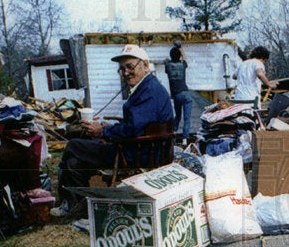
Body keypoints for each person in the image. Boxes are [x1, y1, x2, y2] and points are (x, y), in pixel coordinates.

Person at [52, 44, 173, 216]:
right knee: (74, 161)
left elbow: (133, 129)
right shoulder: (146, 87)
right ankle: (76, 206)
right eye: (122, 69)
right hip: (139, 148)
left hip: (137, 154)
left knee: (74, 145)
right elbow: (137, 124)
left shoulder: (149, 91)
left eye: (130, 67)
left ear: (145, 65)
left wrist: (103, 132)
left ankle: (68, 203)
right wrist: (107, 128)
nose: (125, 73)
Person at [164, 45, 192, 145]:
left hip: (176, 95)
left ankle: (174, 134)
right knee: (187, 118)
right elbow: (184, 58)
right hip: (185, 93)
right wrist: (180, 48)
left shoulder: (168, 66)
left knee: (178, 116)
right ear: (179, 56)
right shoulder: (183, 65)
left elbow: (166, 61)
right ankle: (185, 139)